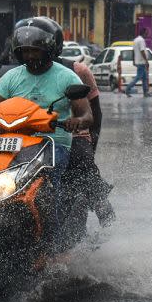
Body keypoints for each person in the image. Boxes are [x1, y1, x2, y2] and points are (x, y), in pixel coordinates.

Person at [0, 17, 93, 253]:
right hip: (10, 142)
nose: (30, 56)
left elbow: (86, 115)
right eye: (26, 51)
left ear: (49, 50)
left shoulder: (66, 77)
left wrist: (76, 121)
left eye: (35, 50)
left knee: (51, 186)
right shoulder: (11, 77)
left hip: (52, 143)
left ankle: (54, 244)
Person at [57, 55, 116, 227]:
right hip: (32, 138)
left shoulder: (77, 71)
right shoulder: (15, 74)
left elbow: (95, 114)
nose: (31, 56)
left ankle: (105, 217)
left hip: (74, 136)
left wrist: (92, 147)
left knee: (84, 167)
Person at [124, 27, 151, 97]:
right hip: (141, 62)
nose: (147, 35)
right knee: (138, 77)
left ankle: (145, 93)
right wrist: (146, 61)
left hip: (138, 61)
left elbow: (133, 51)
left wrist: (133, 60)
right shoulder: (141, 40)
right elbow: (142, 51)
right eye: (146, 34)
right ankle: (127, 89)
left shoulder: (135, 40)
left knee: (145, 78)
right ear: (143, 33)